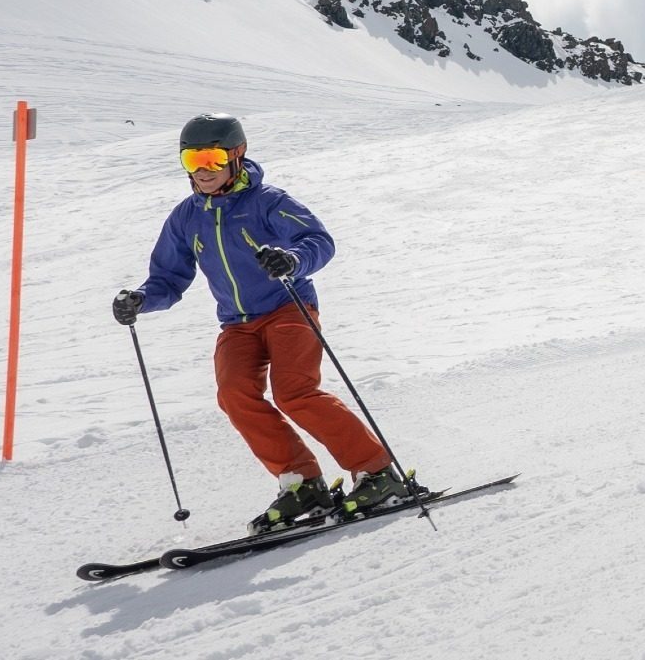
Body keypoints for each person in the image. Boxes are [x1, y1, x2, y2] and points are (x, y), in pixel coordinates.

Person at [111, 114, 418, 532]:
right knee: (234, 394)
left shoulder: (268, 202)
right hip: (237, 324)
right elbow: (168, 277)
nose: (203, 170)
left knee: (295, 392)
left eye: (212, 158)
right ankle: (302, 483)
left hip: (288, 308)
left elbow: (318, 241)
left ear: (236, 156)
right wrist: (141, 300)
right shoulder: (186, 218)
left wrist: (292, 260)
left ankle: (377, 473)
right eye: (192, 160)